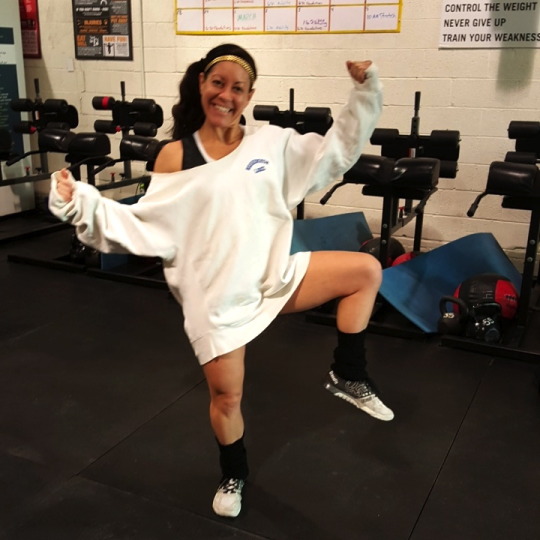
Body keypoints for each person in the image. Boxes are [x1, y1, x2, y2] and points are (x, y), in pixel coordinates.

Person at [49, 43, 394, 519]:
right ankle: (234, 473)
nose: (226, 95)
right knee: (227, 397)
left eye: (237, 88)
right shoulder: (174, 156)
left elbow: (337, 151)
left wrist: (365, 91)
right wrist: (80, 202)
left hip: (272, 277)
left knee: (365, 271)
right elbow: (142, 224)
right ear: (202, 84)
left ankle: (348, 372)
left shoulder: (272, 144)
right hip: (218, 300)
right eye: (218, 83)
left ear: (249, 96)